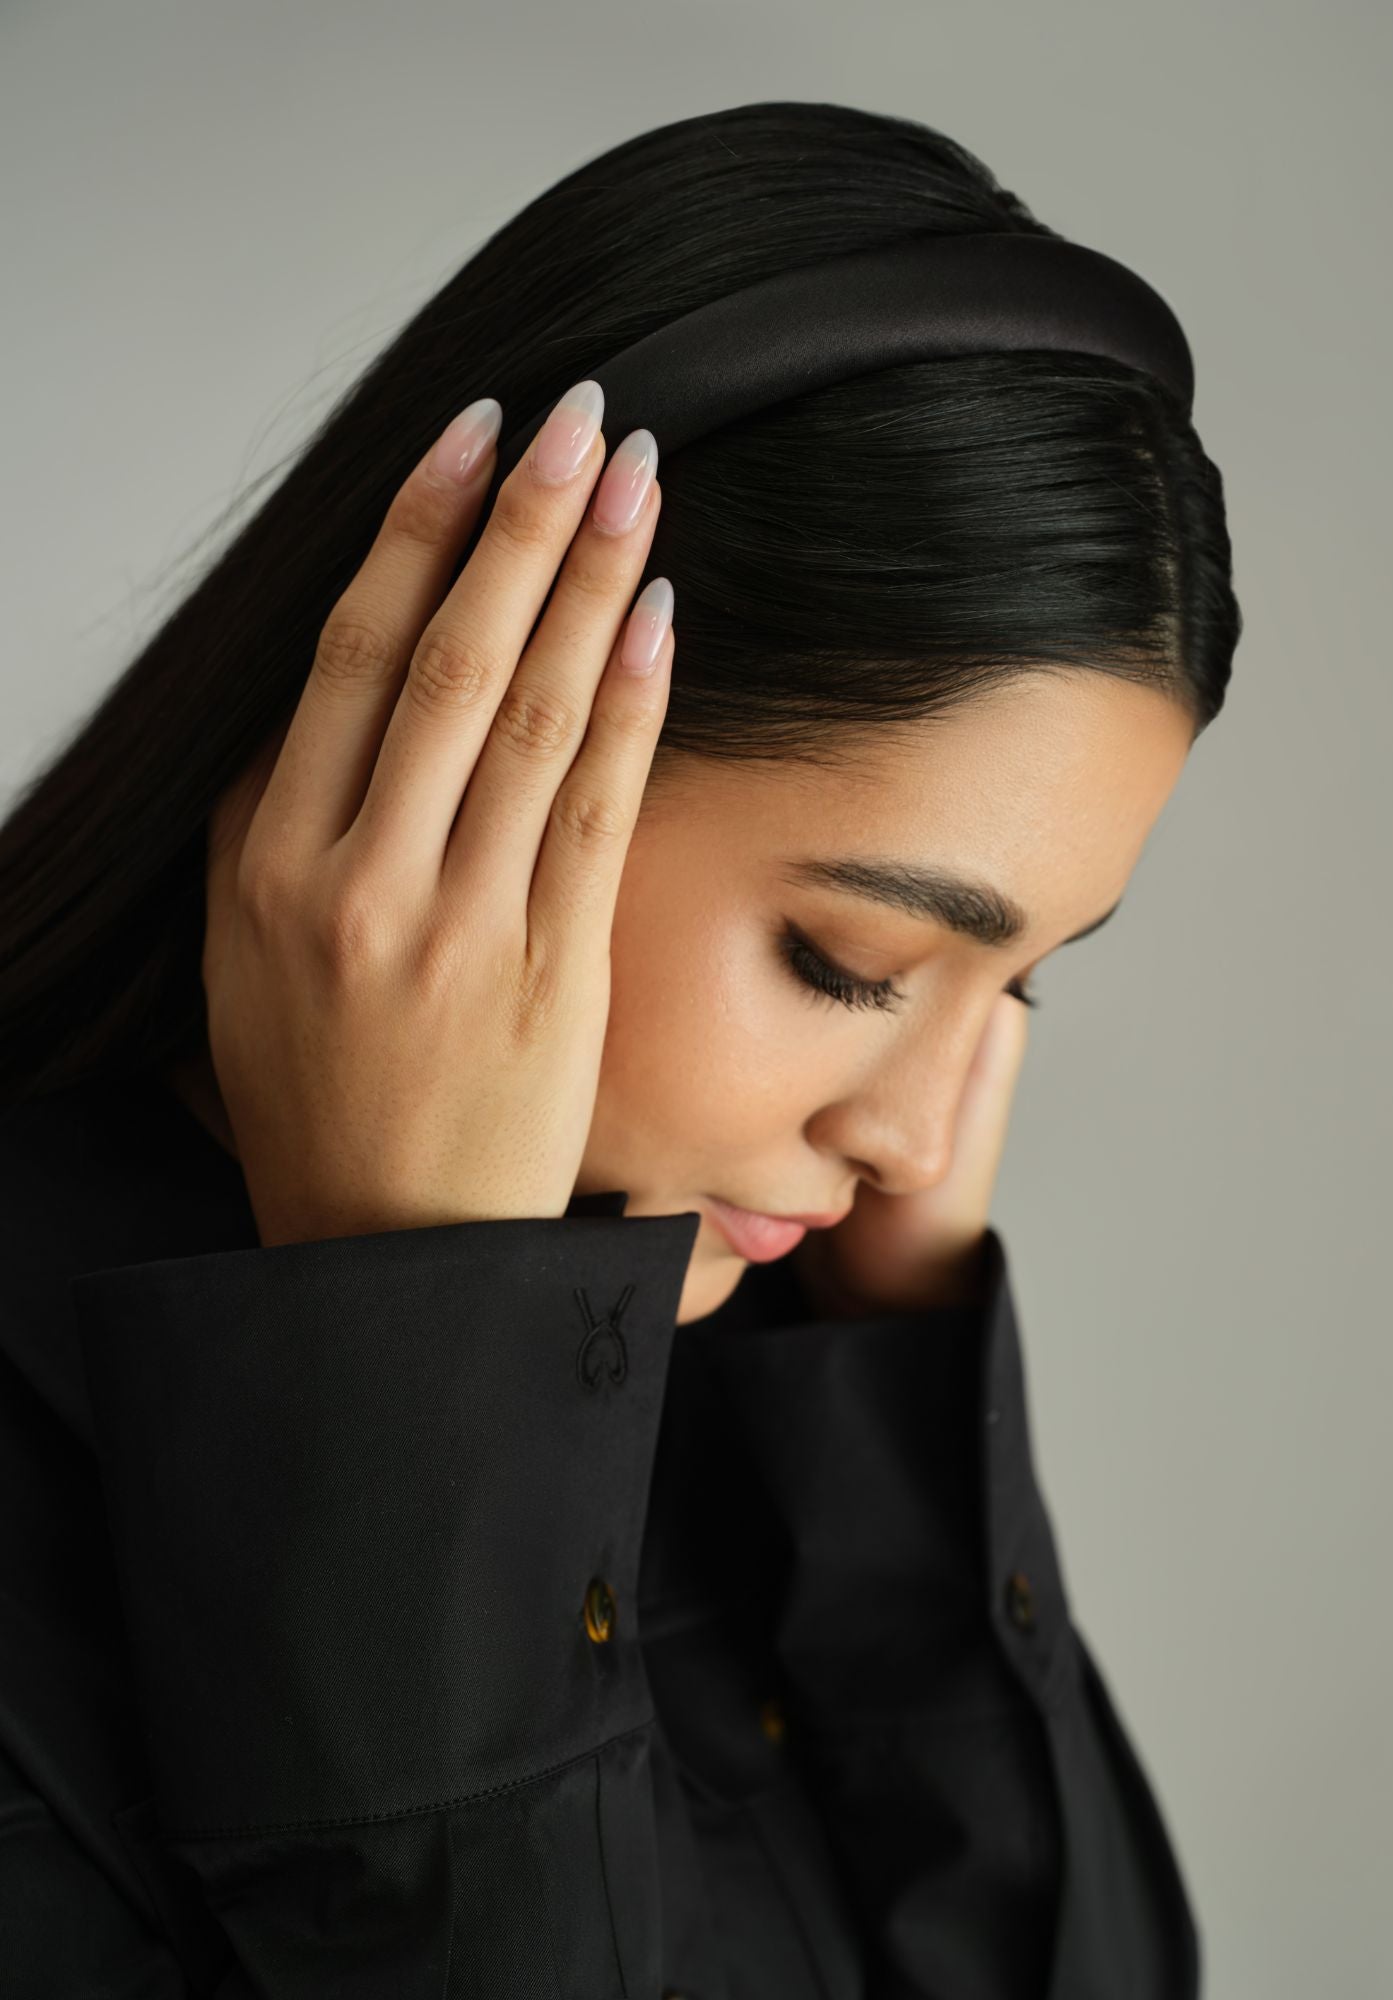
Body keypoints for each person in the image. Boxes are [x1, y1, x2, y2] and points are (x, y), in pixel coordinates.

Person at [0, 100, 1240, 1997]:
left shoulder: (761, 1378)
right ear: (469, 738)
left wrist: (895, 1399)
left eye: (1024, 988)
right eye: (849, 959)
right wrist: (408, 1353)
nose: (921, 1142)